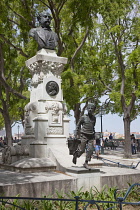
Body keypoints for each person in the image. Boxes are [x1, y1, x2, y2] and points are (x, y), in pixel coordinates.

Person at [72, 103, 96, 169]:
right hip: (84, 135)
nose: (90, 110)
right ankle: (76, 155)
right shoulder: (83, 117)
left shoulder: (94, 118)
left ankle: (86, 163)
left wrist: (94, 134)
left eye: (92, 108)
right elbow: (78, 125)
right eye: (89, 108)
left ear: (94, 110)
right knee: (81, 150)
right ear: (87, 109)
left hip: (91, 136)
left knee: (90, 149)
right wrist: (76, 134)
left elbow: (93, 127)